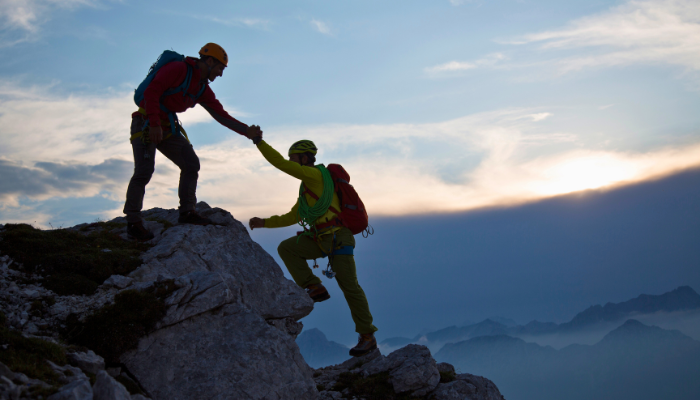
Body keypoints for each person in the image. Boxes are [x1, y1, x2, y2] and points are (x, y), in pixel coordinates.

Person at [245, 133, 378, 357]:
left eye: (294, 158)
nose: (291, 162)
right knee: (287, 247)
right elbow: (293, 216)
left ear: (305, 159)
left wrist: (259, 141)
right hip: (321, 238)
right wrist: (264, 223)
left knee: (350, 288)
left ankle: (367, 336)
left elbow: (279, 164)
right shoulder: (307, 190)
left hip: (338, 237)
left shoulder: (316, 175)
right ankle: (314, 286)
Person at [124, 43, 261, 241]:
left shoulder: (201, 88)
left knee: (191, 163)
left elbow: (221, 115)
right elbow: (151, 92)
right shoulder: (179, 69)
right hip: (145, 122)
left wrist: (247, 131)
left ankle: (187, 213)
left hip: (167, 127)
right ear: (210, 61)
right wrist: (154, 123)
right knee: (144, 171)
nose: (221, 74)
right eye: (220, 68)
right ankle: (133, 223)